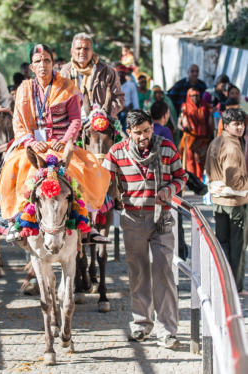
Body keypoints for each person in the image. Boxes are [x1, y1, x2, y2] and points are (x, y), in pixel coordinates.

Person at [0, 44, 110, 242]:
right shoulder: (24, 89)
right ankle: (13, 221)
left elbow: (76, 120)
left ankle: (87, 223)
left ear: (53, 63)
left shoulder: (67, 86)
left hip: (60, 145)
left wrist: (64, 141)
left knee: (83, 169)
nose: (43, 65)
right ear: (32, 67)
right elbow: (18, 123)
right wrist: (31, 142)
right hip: (31, 146)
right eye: (38, 61)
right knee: (11, 167)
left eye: (47, 60)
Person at [102, 109, 188, 350]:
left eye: (147, 131)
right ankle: (141, 323)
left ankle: (167, 330)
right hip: (132, 219)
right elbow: (102, 179)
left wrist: (168, 191)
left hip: (162, 218)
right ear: (128, 132)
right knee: (138, 273)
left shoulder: (167, 148)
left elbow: (182, 177)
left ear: (153, 128)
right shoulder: (116, 152)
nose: (143, 136)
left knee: (164, 272)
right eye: (138, 132)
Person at [206, 108, 248, 296]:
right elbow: (234, 180)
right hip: (235, 201)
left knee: (223, 244)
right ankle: (236, 287)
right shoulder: (231, 146)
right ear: (226, 125)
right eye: (236, 124)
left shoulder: (216, 142)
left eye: (242, 123)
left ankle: (224, 283)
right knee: (237, 246)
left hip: (219, 200)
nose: (240, 127)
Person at [60, 33, 125, 118]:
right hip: (72, 120)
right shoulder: (65, 72)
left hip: (100, 122)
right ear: (72, 51)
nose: (82, 52)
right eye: (78, 48)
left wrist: (103, 114)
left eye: (86, 48)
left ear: (92, 50)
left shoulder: (107, 71)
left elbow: (118, 99)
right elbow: (58, 100)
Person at [178, 88, 212, 179]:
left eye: (197, 95)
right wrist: (183, 128)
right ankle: (192, 182)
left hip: (203, 139)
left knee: (201, 161)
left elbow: (210, 121)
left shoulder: (206, 106)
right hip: (190, 138)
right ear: (189, 96)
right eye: (192, 95)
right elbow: (179, 123)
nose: (195, 97)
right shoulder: (184, 106)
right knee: (190, 161)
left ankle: (201, 181)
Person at [118, 65, 139, 130]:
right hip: (117, 113)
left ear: (126, 73)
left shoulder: (131, 85)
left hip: (128, 112)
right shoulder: (114, 85)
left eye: (123, 72)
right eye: (120, 72)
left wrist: (136, 114)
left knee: (128, 132)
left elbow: (135, 100)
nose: (121, 74)